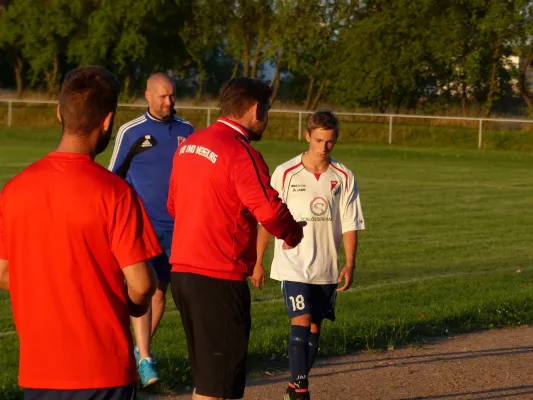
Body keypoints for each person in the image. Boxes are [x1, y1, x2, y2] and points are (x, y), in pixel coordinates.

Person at [0, 66, 160, 399]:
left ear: (60, 112)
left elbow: (3, 271)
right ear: (107, 121)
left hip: (39, 371)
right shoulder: (114, 192)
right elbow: (142, 286)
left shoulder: (14, 190)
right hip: (103, 369)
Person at [167, 77, 305, 400]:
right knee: (220, 388)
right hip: (218, 279)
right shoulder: (241, 153)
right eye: (267, 110)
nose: (267, 119)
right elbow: (269, 212)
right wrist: (292, 233)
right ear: (255, 109)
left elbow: (172, 205)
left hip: (182, 276)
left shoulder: (188, 145)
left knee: (207, 381)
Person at [255, 111, 366, 400]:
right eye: (318, 140)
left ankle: (294, 385)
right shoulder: (285, 172)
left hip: (326, 266)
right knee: (301, 320)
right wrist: (257, 261)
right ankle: (302, 390)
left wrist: (350, 263)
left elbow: (351, 222)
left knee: (315, 328)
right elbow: (269, 218)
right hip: (292, 263)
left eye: (329, 141)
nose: (324, 147)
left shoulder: (343, 176)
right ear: (307, 136)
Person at [108, 72, 194, 387]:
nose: (169, 102)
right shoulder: (131, 132)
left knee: (159, 294)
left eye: (172, 95)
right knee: (141, 289)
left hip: (178, 229)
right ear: (147, 95)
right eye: (162, 96)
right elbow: (113, 177)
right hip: (142, 229)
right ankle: (144, 360)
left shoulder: (187, 130)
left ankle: (138, 354)